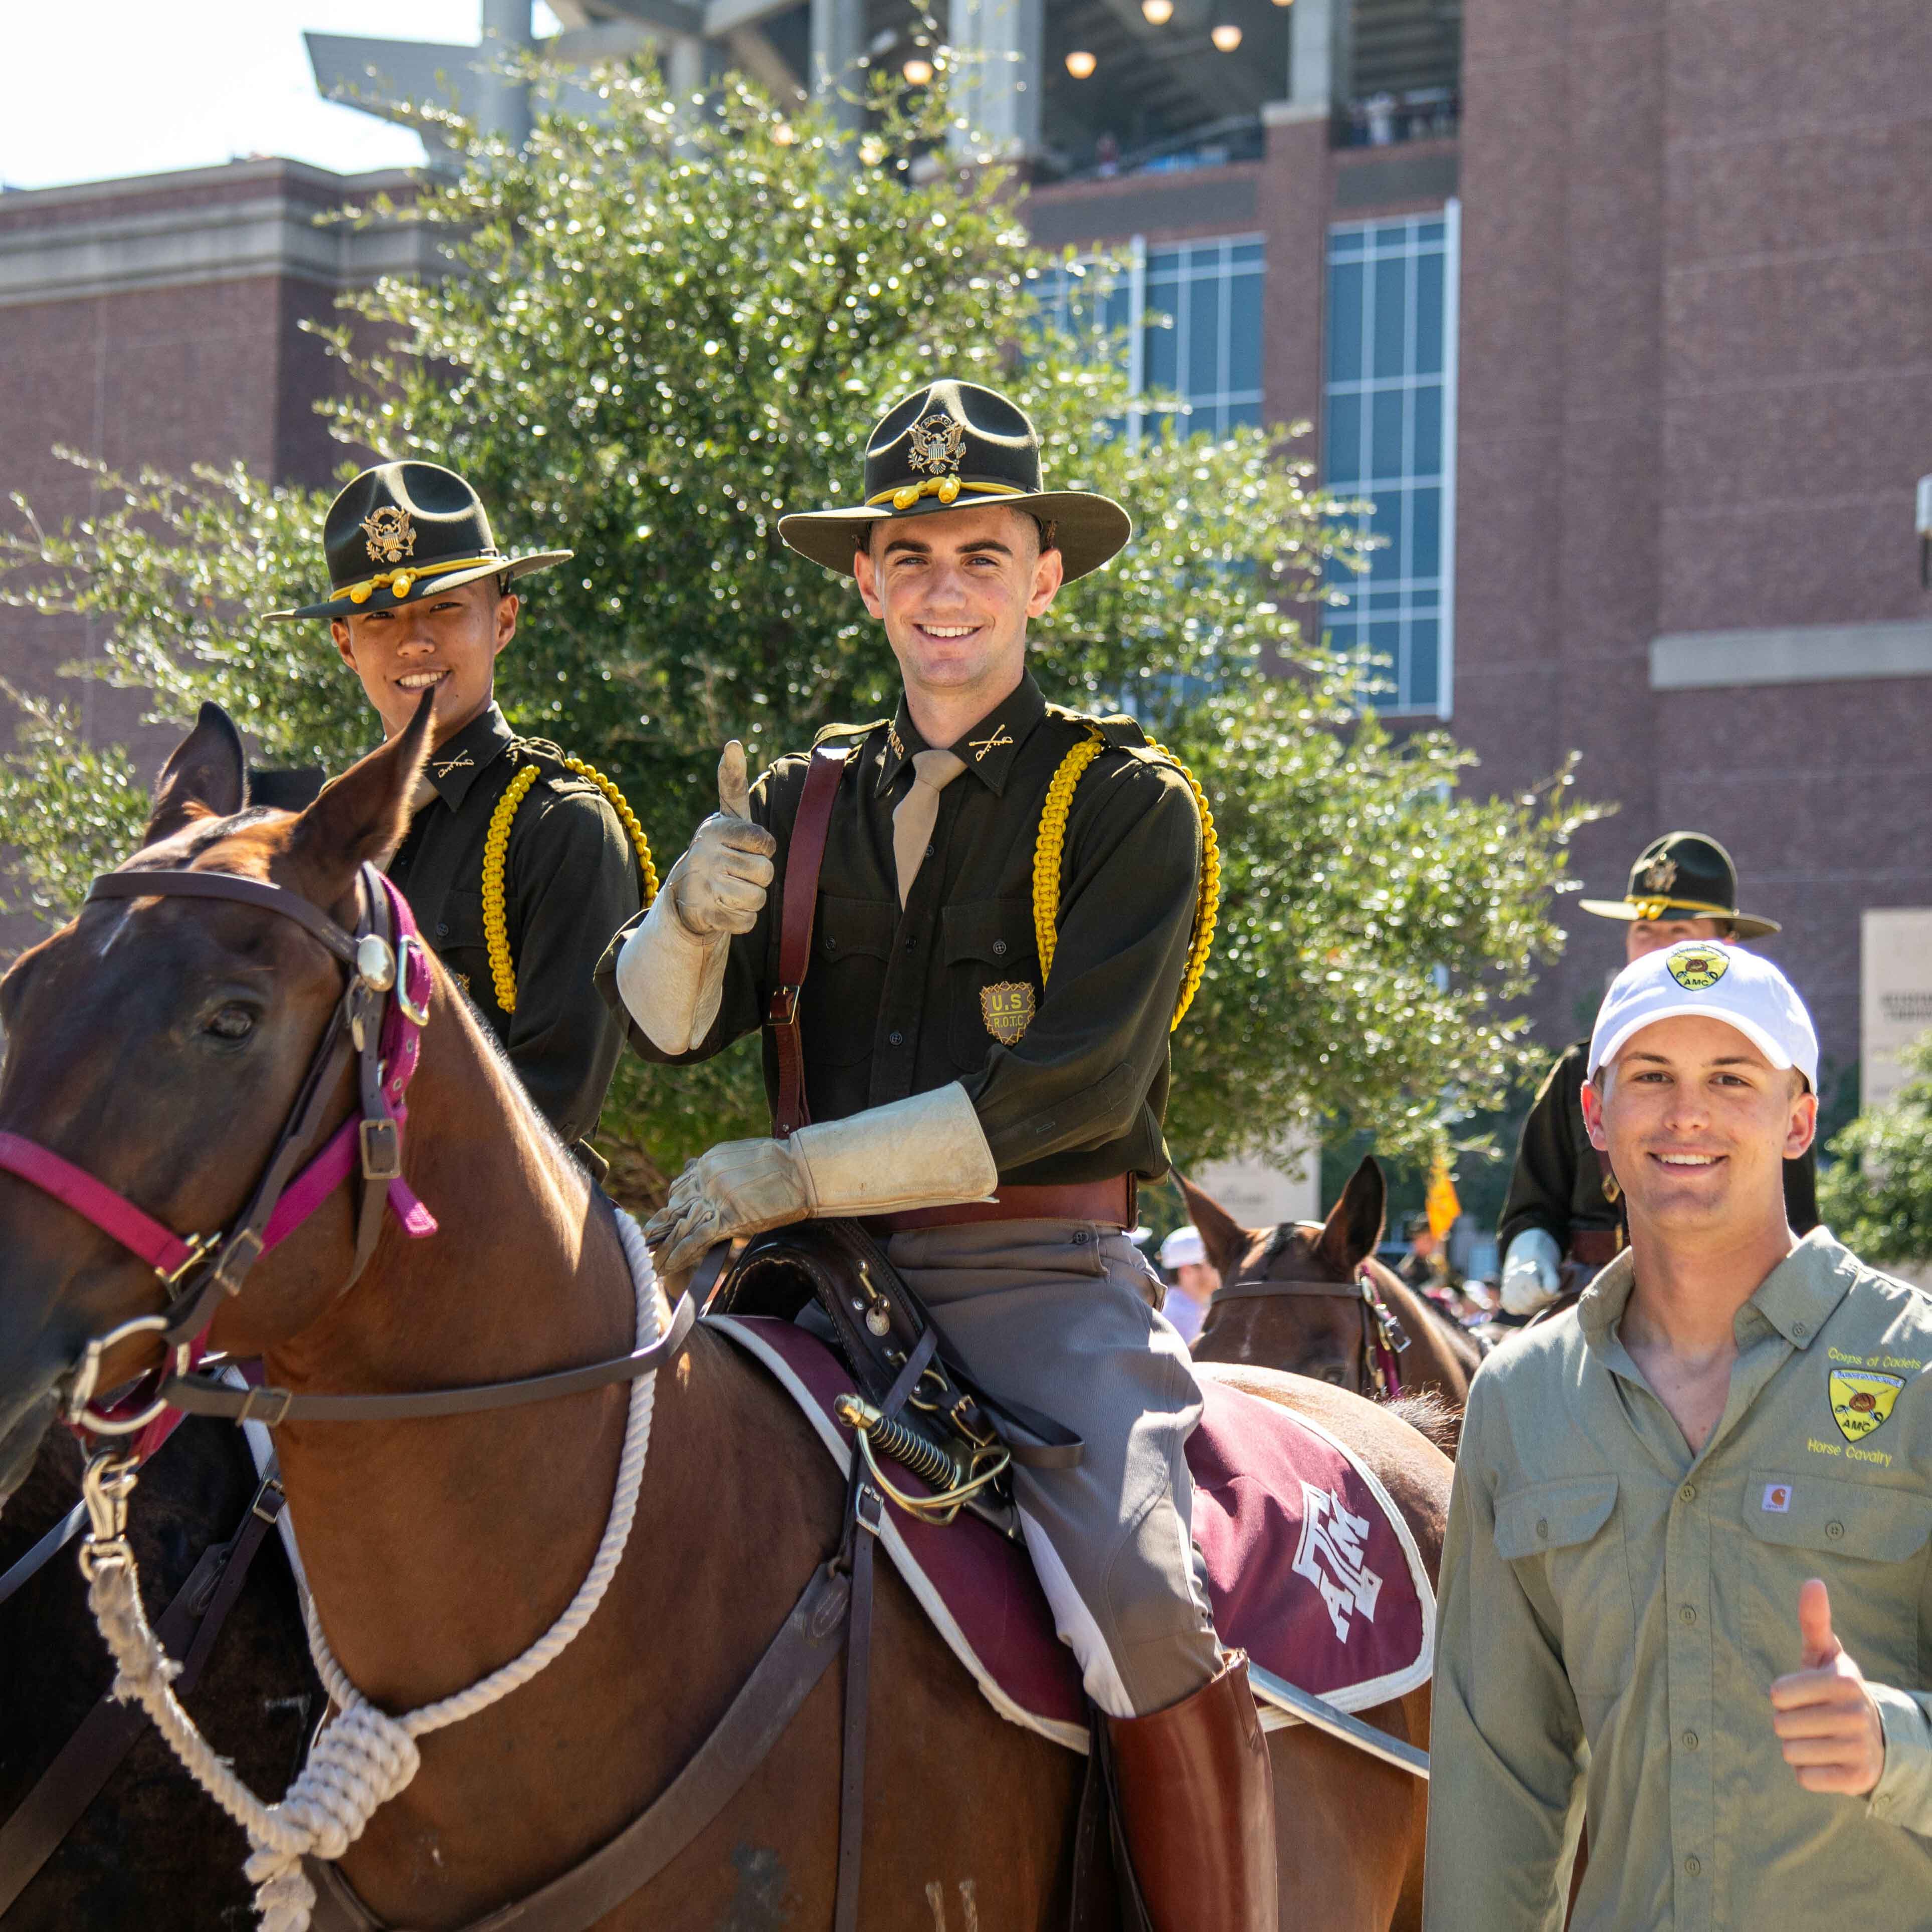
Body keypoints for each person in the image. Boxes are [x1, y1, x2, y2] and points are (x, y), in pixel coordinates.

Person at [596, 378, 1273, 1929]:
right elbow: (662, 1030)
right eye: (910, 556)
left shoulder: (1122, 802)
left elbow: (1062, 1090)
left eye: (980, 552)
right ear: (867, 581)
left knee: (1145, 1599)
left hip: (1034, 1279)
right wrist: (682, 920)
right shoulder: (799, 794)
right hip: (798, 1284)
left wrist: (801, 1170)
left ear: (1043, 575)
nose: (943, 587)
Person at [1426, 939, 1932, 1928]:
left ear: (1797, 1118)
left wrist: (1892, 1745)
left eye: (1729, 1078)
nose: (1685, 1113)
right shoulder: (1520, 1400)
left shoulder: (1918, 1371)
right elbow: (1496, 1794)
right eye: (1650, 1076)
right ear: (1595, 1114)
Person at [268, 460, 646, 1174]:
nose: (414, 641)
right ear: (345, 644)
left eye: (444, 606)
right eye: (380, 616)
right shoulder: (321, 842)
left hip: (497, 1240)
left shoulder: (559, 826)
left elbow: (552, 1106)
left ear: (502, 620)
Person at [1498, 831, 1818, 1317]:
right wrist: (1529, 1246)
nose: (1656, 947)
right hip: (1581, 1305)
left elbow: (1792, 1215)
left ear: (1724, 942)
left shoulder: (1770, 1069)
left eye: (1679, 932)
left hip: (1735, 1307)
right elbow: (1534, 1198)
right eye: (1643, 930)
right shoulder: (1577, 1071)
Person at [1156, 1224, 1220, 1345]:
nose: (1218, 1269)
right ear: (1187, 1270)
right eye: (1213, 1263)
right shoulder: (1180, 1316)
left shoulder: (1188, 1310)